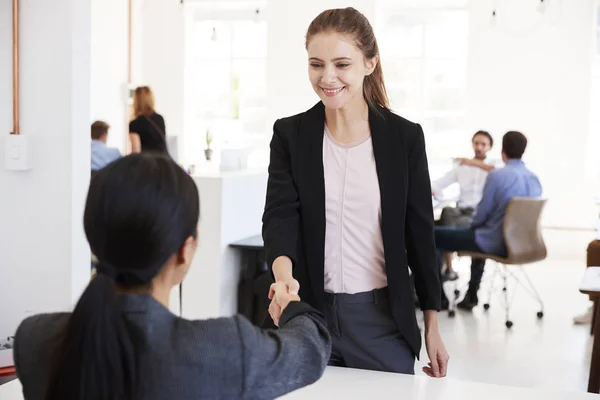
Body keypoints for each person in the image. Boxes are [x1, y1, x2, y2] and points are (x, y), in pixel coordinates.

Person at [13, 153, 331, 400]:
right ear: (185, 250)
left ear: (94, 239)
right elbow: (311, 349)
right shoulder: (222, 348)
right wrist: (290, 305)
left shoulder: (34, 339)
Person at [262, 7, 448, 377]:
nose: (327, 77)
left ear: (369, 63)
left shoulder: (404, 137)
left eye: (341, 64)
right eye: (316, 64)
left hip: (382, 322)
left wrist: (432, 325)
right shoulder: (290, 135)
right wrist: (283, 279)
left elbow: (420, 235)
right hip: (309, 316)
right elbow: (280, 214)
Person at [434, 131, 542, 310]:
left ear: (502, 151)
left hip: (494, 241)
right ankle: (470, 295)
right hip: (524, 244)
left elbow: (482, 216)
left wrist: (472, 227)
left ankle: (438, 297)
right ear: (523, 151)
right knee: (468, 230)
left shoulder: (497, 176)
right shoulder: (534, 179)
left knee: (430, 235)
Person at [432, 130, 500, 281]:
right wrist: (431, 188)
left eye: (483, 144)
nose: (479, 147)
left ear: (490, 147)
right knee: (446, 213)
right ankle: (449, 267)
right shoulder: (462, 167)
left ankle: (470, 287)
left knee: (468, 228)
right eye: (476, 143)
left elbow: (494, 171)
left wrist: (470, 162)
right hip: (459, 212)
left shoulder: (494, 167)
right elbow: (440, 182)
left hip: (477, 214)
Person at [129, 86, 168, 154]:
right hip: (163, 161)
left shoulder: (134, 124)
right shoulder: (160, 118)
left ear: (136, 101)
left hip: (147, 162)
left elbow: (135, 151)